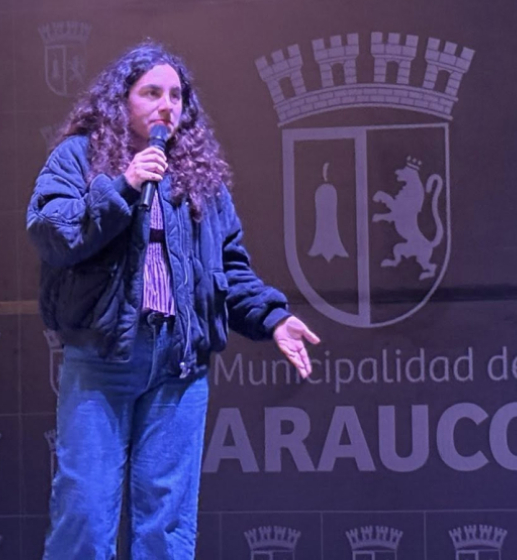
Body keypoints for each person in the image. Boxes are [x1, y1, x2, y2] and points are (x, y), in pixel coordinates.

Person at [26, 40, 320, 559]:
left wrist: (273, 318)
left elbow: (227, 267)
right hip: (103, 359)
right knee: (85, 515)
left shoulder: (199, 175)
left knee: (167, 525)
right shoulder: (79, 157)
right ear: (121, 100)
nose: (167, 105)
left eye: (176, 96)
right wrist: (122, 185)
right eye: (152, 93)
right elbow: (52, 233)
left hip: (179, 366)